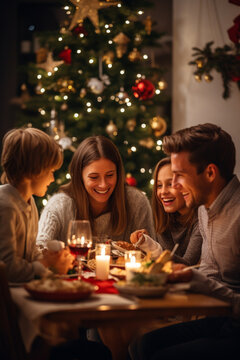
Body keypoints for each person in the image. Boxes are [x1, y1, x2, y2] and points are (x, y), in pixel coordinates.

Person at [129, 123, 240, 360]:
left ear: (210, 173)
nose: (174, 185)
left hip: (235, 327)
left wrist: (195, 281)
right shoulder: (203, 210)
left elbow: (211, 286)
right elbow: (209, 275)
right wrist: (186, 278)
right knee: (142, 344)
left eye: (179, 175)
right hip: (219, 320)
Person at [37, 135, 155, 246]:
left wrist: (146, 244)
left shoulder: (136, 202)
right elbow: (39, 247)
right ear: (79, 176)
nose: (103, 185)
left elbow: (153, 255)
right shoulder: (60, 205)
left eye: (110, 175)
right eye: (94, 177)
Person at [0, 127, 74, 283]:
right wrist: (46, 264)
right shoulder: (6, 206)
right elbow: (8, 269)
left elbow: (29, 251)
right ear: (34, 171)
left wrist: (52, 260)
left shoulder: (28, 200)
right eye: (51, 171)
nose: (53, 179)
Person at [130, 157, 202, 265]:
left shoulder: (201, 217)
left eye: (170, 184)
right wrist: (145, 244)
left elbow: (186, 265)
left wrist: (151, 246)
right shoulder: (165, 217)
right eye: (159, 185)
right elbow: (165, 264)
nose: (163, 192)